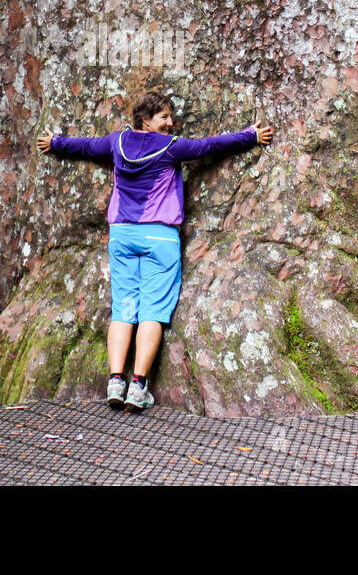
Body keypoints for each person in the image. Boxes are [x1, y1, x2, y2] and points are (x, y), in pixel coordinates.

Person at [37, 90, 274, 411]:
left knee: (123, 309)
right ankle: (137, 387)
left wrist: (56, 143)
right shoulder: (171, 147)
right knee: (152, 312)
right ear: (145, 120)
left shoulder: (116, 142)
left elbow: (87, 146)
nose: (171, 122)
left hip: (121, 234)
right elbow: (211, 146)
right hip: (159, 237)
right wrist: (251, 136)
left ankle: (115, 381)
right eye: (163, 116)